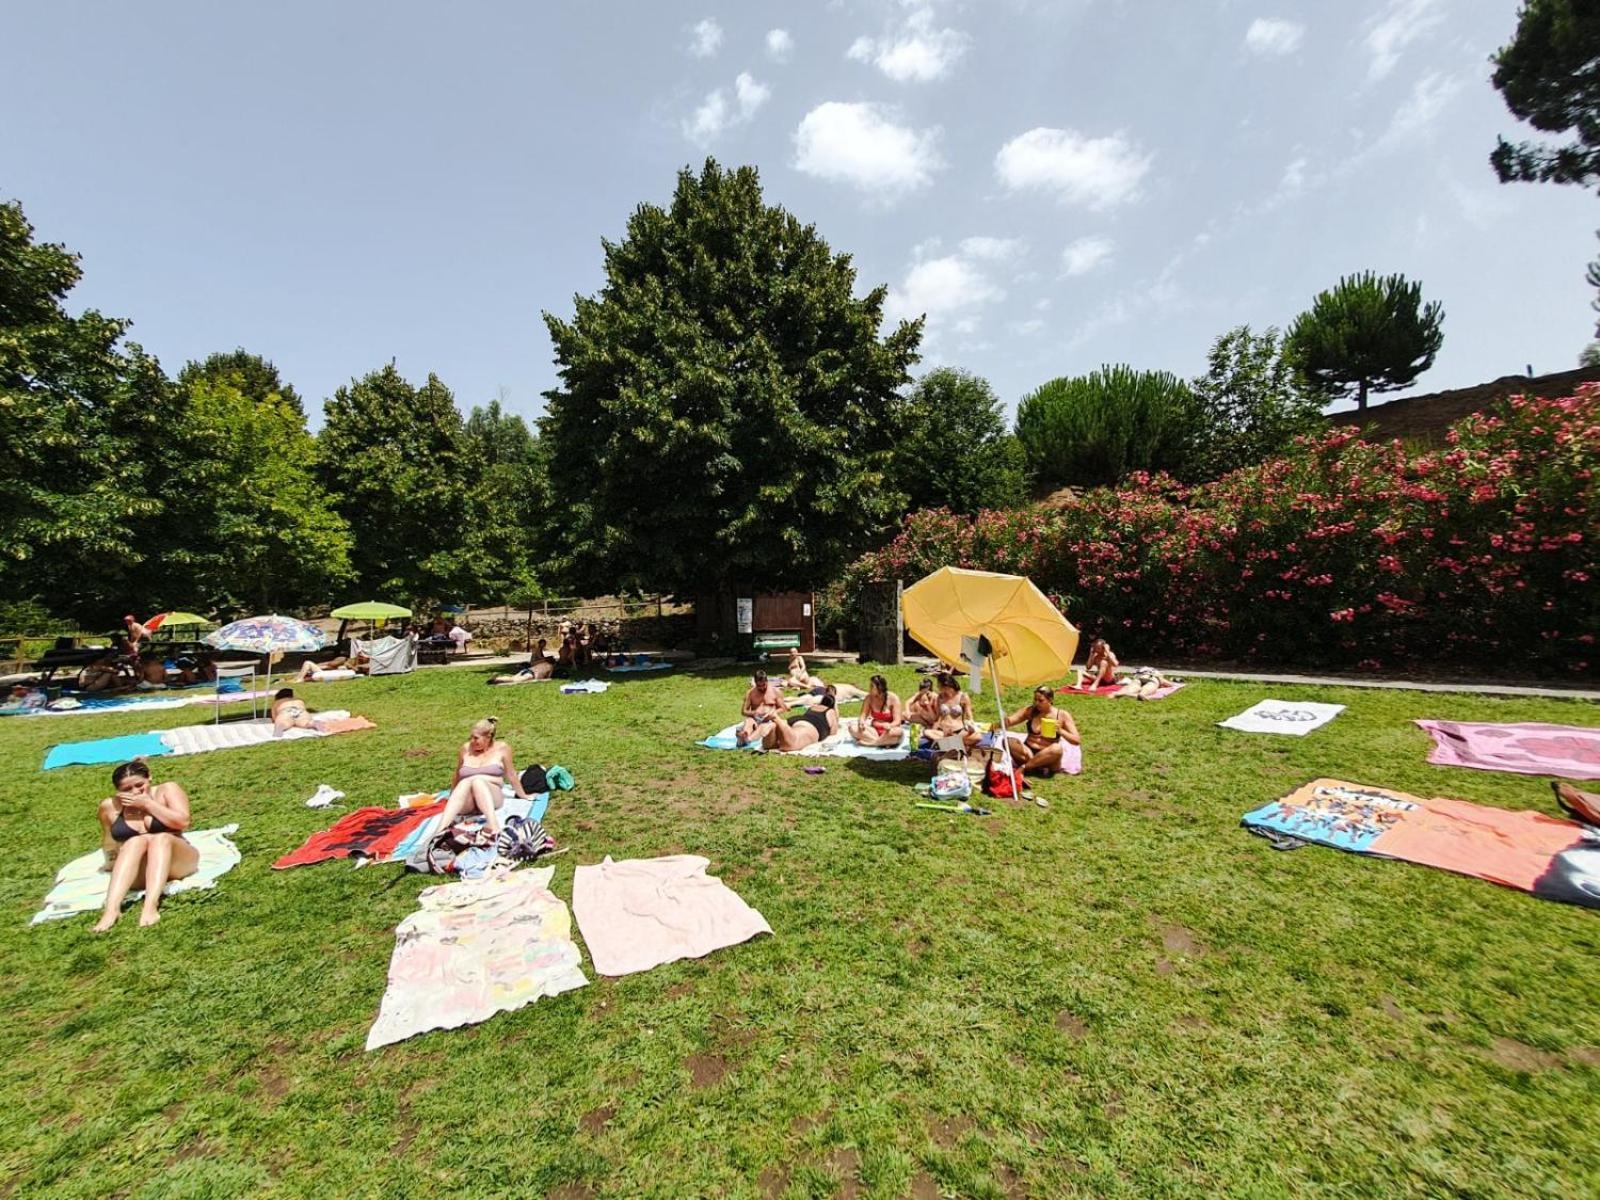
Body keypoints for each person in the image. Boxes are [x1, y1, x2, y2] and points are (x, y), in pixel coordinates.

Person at [93, 760, 197, 931]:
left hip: (176, 860)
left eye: (139, 785)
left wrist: (147, 804)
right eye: (126, 790)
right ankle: (111, 910)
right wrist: (111, 861)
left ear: (149, 778)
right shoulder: (109, 806)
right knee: (135, 841)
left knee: (159, 838)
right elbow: (109, 841)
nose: (135, 792)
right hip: (139, 869)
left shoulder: (167, 790)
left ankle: (150, 906)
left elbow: (182, 821)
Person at [438, 717, 529, 835]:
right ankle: (440, 829)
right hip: (468, 799)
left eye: (476, 738)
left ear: (488, 737)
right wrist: (452, 795)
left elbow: (511, 774)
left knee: (477, 782)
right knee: (465, 782)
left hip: (491, 794)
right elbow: (457, 774)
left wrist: (523, 795)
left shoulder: (502, 748)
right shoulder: (466, 749)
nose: (472, 741)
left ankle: (493, 824)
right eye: (471, 737)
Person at [1002, 685, 1081, 777]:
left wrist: (1060, 731)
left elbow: (1076, 740)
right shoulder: (1031, 711)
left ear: (1050, 700)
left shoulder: (1062, 715)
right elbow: (1010, 721)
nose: (1037, 703)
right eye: (1035, 700)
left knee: (1057, 748)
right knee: (1008, 741)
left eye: (1041, 701)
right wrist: (1000, 721)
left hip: (1048, 755)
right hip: (1029, 752)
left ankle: (1025, 767)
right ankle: (1035, 766)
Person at [760, 684, 840, 751]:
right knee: (790, 745)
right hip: (812, 727)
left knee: (768, 747)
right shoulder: (830, 711)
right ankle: (776, 719)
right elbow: (833, 732)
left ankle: (776, 725)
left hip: (799, 720)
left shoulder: (813, 706)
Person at [848, 674, 905, 747]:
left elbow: (897, 721)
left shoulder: (893, 698)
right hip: (874, 731)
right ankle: (880, 742)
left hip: (889, 731)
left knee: (898, 732)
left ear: (880, 688)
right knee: (852, 728)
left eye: (872, 686)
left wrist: (890, 725)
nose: (869, 688)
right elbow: (863, 715)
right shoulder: (869, 698)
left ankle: (872, 743)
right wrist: (861, 722)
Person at [929, 672, 981, 749]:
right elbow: (938, 717)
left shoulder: (963, 696)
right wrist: (933, 729)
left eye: (939, 685)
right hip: (943, 731)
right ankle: (954, 743)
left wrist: (971, 726)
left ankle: (945, 743)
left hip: (959, 731)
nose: (938, 687)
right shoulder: (940, 698)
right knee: (927, 732)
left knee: (978, 737)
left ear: (946, 685)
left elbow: (970, 717)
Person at [737, 669, 786, 746]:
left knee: (764, 726)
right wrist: (754, 713)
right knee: (749, 721)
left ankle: (748, 740)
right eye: (759, 686)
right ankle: (744, 734)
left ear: (767, 681)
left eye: (763, 685)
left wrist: (772, 713)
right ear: (755, 683)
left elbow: (783, 708)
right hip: (755, 719)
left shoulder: (775, 691)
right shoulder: (750, 693)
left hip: (769, 719)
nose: (762, 688)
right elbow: (743, 711)